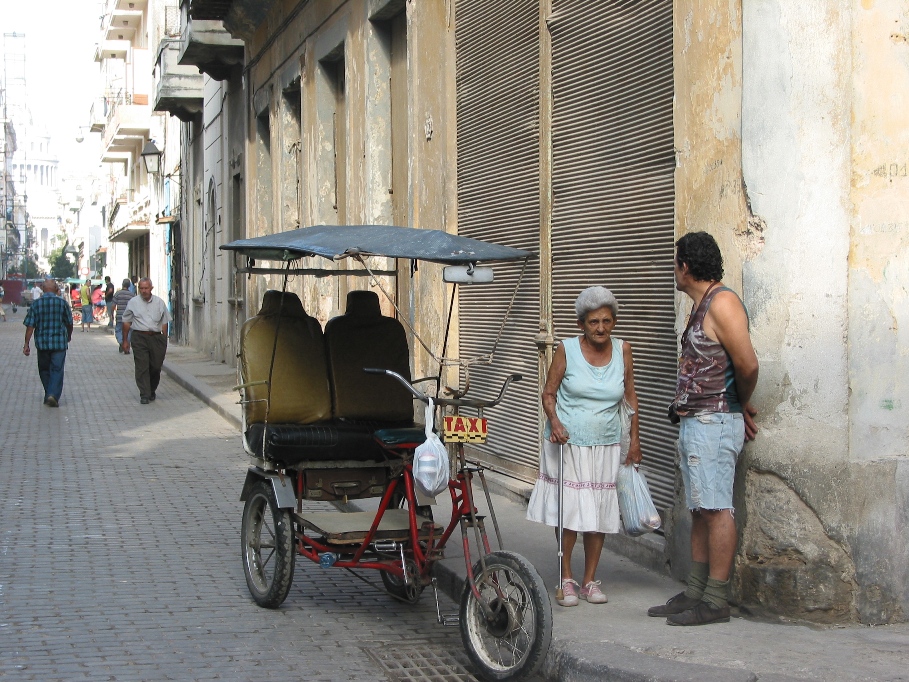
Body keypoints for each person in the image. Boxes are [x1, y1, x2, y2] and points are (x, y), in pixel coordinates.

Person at [648, 231, 759, 627]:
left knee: (716, 509)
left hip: (715, 422)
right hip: (697, 421)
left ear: (685, 266)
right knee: (700, 509)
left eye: (674, 263)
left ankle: (715, 599)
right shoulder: (702, 304)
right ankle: (696, 591)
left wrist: (738, 402)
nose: (673, 270)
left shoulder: (723, 303)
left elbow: (748, 365)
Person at [527, 286, 642, 607]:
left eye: (606, 321)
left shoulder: (624, 350)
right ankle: (566, 576)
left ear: (614, 322)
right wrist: (555, 422)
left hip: (606, 444)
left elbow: (630, 397)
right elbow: (548, 393)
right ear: (581, 324)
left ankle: (590, 580)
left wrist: (634, 440)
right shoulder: (566, 349)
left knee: (597, 510)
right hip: (567, 444)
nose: (601, 328)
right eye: (593, 322)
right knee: (570, 510)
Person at [22, 278, 74, 407]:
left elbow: (30, 326)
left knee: (44, 370)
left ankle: (49, 394)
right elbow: (69, 322)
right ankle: (52, 394)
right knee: (57, 369)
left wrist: (26, 344)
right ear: (56, 289)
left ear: (43, 289)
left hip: (42, 343)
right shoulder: (62, 303)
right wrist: (68, 335)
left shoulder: (36, 304)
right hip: (59, 343)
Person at [121, 278, 171, 404]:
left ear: (151, 288)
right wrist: (125, 340)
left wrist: (164, 339)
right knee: (142, 366)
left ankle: (151, 389)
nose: (143, 291)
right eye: (141, 288)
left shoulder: (159, 302)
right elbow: (126, 322)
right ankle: (144, 393)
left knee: (156, 366)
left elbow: (164, 322)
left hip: (156, 337)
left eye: (146, 288)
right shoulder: (133, 303)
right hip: (139, 337)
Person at [112, 278, 136, 353]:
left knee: (118, 330)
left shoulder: (117, 294)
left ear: (122, 284)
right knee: (129, 331)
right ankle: (126, 344)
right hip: (129, 317)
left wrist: (112, 314)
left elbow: (113, 305)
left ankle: (121, 342)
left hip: (119, 315)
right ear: (129, 286)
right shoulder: (132, 295)